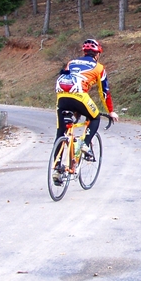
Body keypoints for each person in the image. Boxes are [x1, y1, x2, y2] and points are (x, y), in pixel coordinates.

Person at [54, 39, 119, 180]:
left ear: (84, 52)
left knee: (61, 132)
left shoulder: (71, 62)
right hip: (79, 96)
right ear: (97, 54)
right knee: (95, 117)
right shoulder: (99, 68)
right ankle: (85, 144)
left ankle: (56, 170)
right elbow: (104, 92)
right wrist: (110, 111)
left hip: (62, 98)